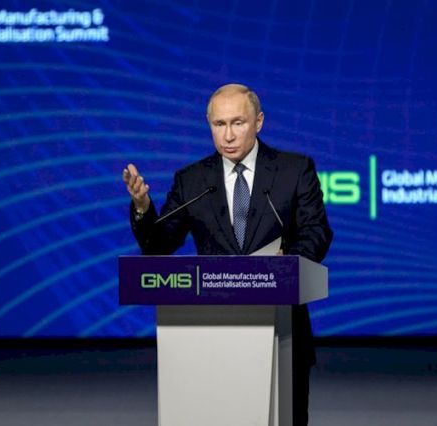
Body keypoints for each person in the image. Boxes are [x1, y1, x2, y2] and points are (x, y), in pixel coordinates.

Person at [123, 83, 332, 425]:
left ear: (258, 122)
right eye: (219, 124)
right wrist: (143, 208)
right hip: (211, 336)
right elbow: (158, 245)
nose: (228, 135)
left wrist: (288, 265)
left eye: (238, 123)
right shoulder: (191, 180)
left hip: (282, 332)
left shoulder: (294, 170)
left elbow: (317, 232)